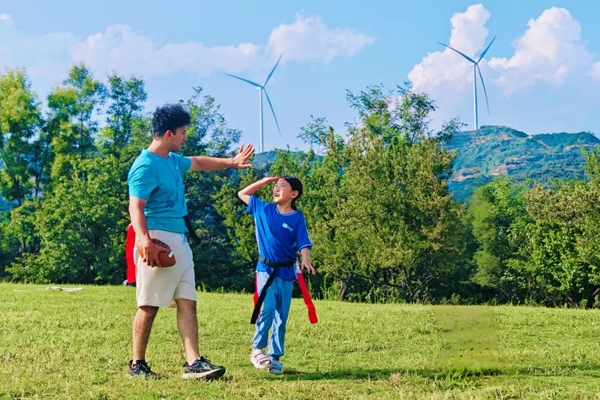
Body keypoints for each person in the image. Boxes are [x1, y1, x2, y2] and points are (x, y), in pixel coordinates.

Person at [127, 103, 254, 379]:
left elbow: (197, 162)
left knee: (187, 301)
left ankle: (193, 363)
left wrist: (231, 162)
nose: (186, 137)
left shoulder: (172, 160)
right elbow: (135, 207)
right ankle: (137, 365)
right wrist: (144, 239)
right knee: (148, 306)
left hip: (180, 241)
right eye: (183, 132)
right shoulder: (145, 165)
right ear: (169, 133)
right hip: (157, 240)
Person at [237, 175, 315, 375]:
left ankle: (275, 357)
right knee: (268, 308)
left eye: (282, 186)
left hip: (287, 272)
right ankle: (257, 349)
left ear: (294, 194)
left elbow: (303, 242)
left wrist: (305, 260)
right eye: (275, 186)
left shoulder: (297, 218)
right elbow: (242, 193)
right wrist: (263, 181)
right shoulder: (262, 209)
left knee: (282, 316)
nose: (276, 189)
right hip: (265, 269)